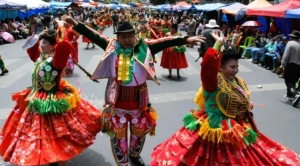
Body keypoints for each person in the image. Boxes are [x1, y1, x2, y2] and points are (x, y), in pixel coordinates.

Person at [64, 15, 205, 166]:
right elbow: (94, 35)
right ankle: (123, 162)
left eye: (130, 36)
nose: (127, 40)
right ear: (118, 37)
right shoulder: (112, 46)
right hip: (117, 101)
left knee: (139, 133)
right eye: (123, 37)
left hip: (139, 101)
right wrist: (77, 25)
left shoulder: (144, 46)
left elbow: (163, 41)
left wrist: (184, 40)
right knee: (119, 136)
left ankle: (134, 154)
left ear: (134, 36)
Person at [151, 31, 300, 166]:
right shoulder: (212, 81)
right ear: (220, 67)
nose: (236, 71)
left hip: (236, 131)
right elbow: (208, 66)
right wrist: (218, 45)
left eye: (237, 67)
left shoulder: (239, 82)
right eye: (232, 67)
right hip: (213, 131)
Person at [0, 29, 102, 166]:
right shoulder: (40, 58)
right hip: (36, 99)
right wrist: (38, 36)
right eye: (42, 42)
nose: (41, 45)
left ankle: (59, 161)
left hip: (52, 102)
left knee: (58, 138)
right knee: (40, 136)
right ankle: (47, 157)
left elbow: (65, 47)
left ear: (53, 46)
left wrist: (61, 31)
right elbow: (31, 49)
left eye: (45, 43)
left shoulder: (57, 61)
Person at [280, 30, 300, 107]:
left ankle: (295, 94)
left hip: (291, 65)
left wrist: (282, 65)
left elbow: (286, 55)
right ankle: (290, 95)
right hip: (299, 67)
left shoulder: (290, 43)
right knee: (294, 81)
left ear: (292, 37)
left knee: (288, 82)